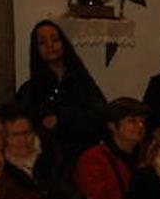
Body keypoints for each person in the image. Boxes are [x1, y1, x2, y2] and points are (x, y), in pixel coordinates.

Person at [14, 20, 108, 165]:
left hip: (84, 158)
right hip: (46, 163)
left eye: (55, 39)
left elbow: (101, 117)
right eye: (42, 42)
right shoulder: (29, 90)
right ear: (36, 49)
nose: (50, 45)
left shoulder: (82, 82)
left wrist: (62, 120)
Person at [0, 102, 78, 199]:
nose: (23, 140)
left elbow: (72, 194)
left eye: (27, 133)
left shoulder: (53, 154)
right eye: (15, 135)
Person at [75, 98, 148, 199]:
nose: (140, 126)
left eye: (143, 121)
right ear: (112, 126)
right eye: (132, 121)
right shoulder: (93, 159)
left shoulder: (149, 155)